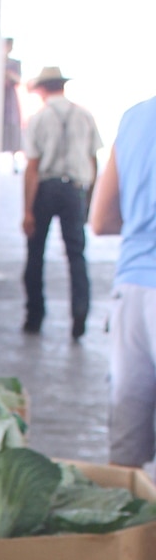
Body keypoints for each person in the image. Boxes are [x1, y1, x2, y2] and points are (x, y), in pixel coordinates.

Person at [91, 94, 156, 472]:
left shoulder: (134, 119)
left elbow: (100, 221)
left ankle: (130, 533)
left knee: (124, 461)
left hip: (131, 292)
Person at [21, 66, 102, 339]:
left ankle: (35, 315)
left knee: (36, 254)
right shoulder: (85, 116)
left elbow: (32, 167)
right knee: (76, 255)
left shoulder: (39, 119)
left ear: (43, 89)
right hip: (75, 189)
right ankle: (80, 312)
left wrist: (27, 210)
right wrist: (89, 202)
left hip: (46, 188)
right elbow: (93, 162)